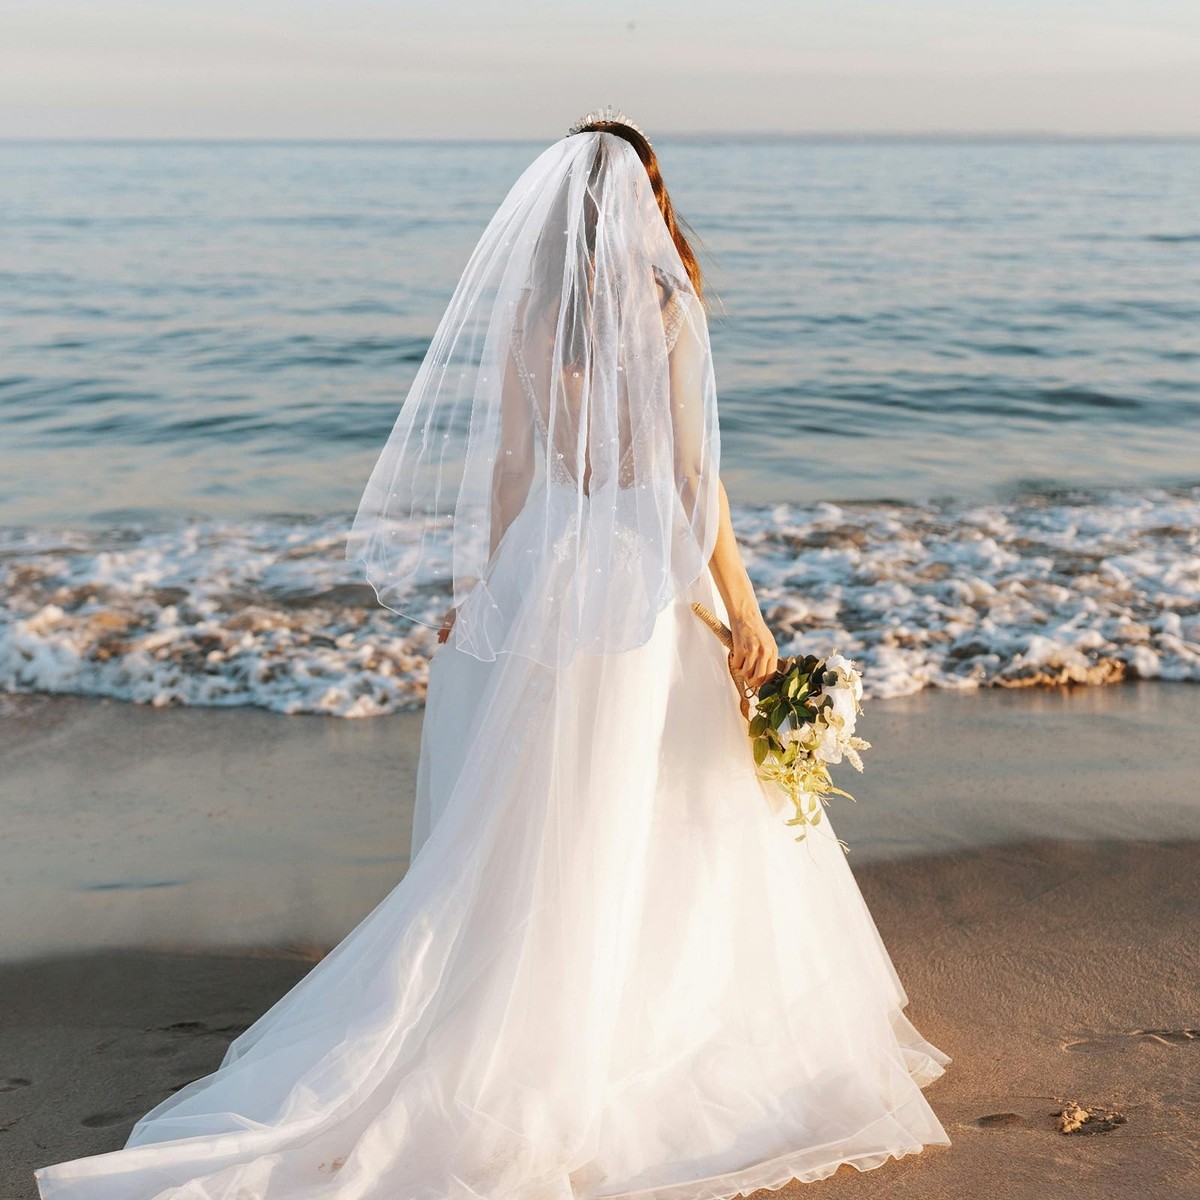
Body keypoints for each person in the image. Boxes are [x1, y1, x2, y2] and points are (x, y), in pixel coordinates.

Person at [35, 109, 949, 1200]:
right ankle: (639, 1002)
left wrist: (480, 594)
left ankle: (521, 983)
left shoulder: (529, 313)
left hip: (548, 564)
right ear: (649, 203)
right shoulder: (669, 307)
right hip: (642, 576)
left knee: (537, 800)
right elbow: (694, 483)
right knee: (659, 792)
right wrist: (746, 615)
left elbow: (510, 471)